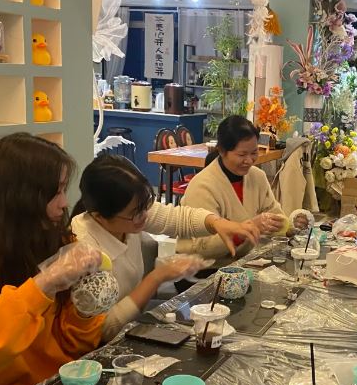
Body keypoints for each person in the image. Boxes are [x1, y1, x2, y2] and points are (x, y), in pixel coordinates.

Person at [71, 154, 260, 341]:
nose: (145, 216)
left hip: (133, 320)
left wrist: (217, 223)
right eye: (136, 213)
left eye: (146, 205)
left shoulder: (130, 212)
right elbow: (105, 330)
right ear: (99, 216)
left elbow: (178, 218)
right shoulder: (83, 250)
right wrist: (157, 277)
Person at [0, 133, 105, 385]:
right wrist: (44, 284)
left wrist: (86, 307)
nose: (64, 203)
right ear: (18, 195)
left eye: (64, 190)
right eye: (55, 192)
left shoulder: (58, 241)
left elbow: (75, 347)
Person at [177, 116, 307, 266]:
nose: (249, 160)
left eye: (254, 153)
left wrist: (290, 226)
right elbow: (202, 248)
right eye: (242, 155)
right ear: (222, 151)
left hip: (241, 263)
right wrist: (248, 228)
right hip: (201, 269)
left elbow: (274, 215)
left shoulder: (257, 177)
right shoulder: (202, 186)